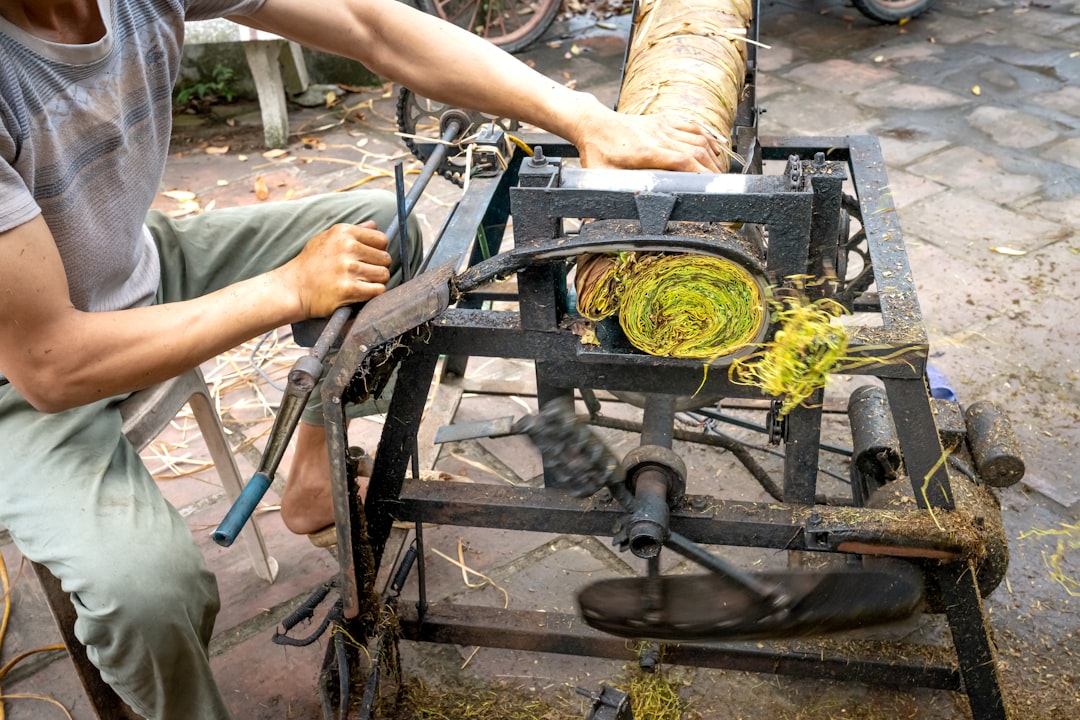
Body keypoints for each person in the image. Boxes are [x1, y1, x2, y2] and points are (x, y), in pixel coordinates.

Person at [0, 0, 725, 717]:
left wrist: (585, 120)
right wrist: (288, 288)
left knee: (384, 237)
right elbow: (52, 363)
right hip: (24, 375)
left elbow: (370, 22)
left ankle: (312, 478)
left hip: (133, 264)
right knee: (150, 597)